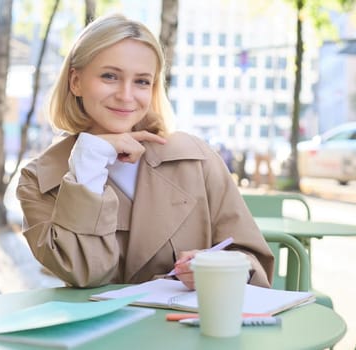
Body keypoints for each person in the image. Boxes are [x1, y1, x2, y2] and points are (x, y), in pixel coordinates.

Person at [16, 14, 273, 290]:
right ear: (75, 81)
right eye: (109, 76)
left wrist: (219, 269)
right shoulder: (38, 181)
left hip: (189, 329)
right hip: (97, 333)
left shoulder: (198, 160)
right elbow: (84, 271)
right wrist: (90, 159)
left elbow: (254, 263)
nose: (126, 95)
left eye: (141, 82)